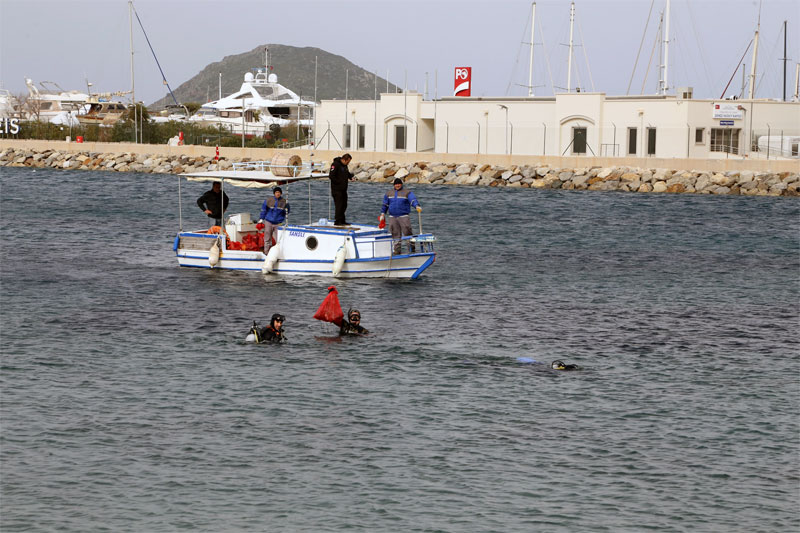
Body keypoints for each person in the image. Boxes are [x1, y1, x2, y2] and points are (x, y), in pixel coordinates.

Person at [380, 178, 421, 254]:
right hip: (392, 217)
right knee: (395, 234)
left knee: (407, 232)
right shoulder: (389, 193)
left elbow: (413, 200)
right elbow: (385, 204)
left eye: (399, 184)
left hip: (404, 216)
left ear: (401, 184)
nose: (397, 185)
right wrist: (382, 214)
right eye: (396, 184)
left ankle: (412, 250)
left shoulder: (407, 192)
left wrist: (416, 206)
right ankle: (397, 252)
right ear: (394, 185)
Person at [259, 186, 290, 255]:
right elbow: (263, 210)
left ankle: (278, 253)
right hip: (268, 221)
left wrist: (282, 218)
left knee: (278, 239)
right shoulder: (269, 200)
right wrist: (261, 218)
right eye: (276, 192)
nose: (277, 194)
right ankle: (266, 252)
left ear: (281, 193)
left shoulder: (284, 202)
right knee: (267, 238)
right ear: (274, 193)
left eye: (279, 192)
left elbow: (287, 212)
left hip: (278, 223)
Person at [328, 153, 354, 226]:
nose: (348, 163)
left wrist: (351, 177)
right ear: (344, 160)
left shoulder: (345, 166)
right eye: (348, 161)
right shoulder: (335, 164)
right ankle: (337, 221)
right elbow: (331, 176)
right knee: (339, 205)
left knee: (344, 205)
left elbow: (347, 173)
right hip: (336, 189)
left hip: (343, 189)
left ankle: (342, 220)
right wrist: (339, 182)